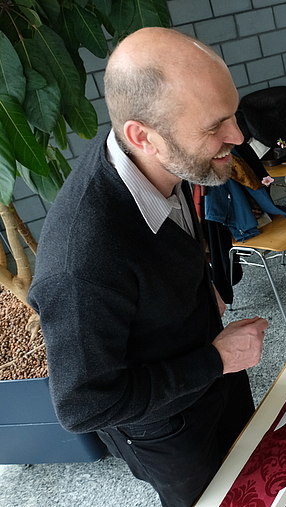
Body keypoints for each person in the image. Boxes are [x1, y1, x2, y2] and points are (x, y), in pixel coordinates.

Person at [27, 28, 269, 507]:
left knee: (259, 466)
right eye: (214, 126)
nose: (238, 137)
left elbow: (166, 240)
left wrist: (202, 287)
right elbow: (84, 405)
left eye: (233, 114)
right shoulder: (80, 261)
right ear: (144, 136)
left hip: (215, 369)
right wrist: (215, 360)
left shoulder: (161, 157)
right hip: (170, 430)